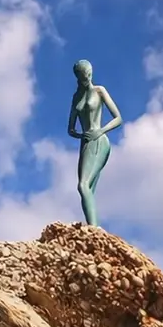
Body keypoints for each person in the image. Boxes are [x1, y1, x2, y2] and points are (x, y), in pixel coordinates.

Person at [67, 59, 122, 226]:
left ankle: (94, 230)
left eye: (88, 74)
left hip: (99, 140)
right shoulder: (76, 98)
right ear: (78, 76)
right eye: (83, 75)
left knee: (82, 185)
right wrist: (80, 135)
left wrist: (100, 131)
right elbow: (70, 128)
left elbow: (118, 118)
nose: (87, 77)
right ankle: (93, 230)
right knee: (88, 188)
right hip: (86, 143)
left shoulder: (99, 91)